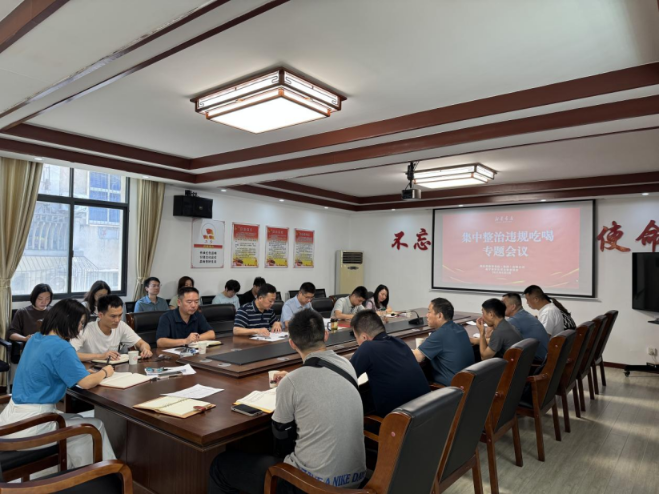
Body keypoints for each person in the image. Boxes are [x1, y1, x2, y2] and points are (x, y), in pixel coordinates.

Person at [208, 309, 366, 494]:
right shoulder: (346, 365)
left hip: (313, 487)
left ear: (291, 343)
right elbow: (322, 377)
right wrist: (292, 379)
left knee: (220, 465)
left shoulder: (292, 382)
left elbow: (281, 435)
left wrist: (290, 381)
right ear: (326, 334)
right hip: (356, 480)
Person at [0, 299, 116, 469]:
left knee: (77, 419)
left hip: (10, 418)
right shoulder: (62, 347)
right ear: (69, 320)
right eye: (80, 323)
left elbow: (50, 368)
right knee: (94, 426)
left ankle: (75, 471)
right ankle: (100, 473)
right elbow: (86, 383)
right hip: (32, 424)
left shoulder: (35, 338)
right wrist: (105, 371)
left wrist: (82, 373)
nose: (80, 329)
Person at [351, 310, 429, 417]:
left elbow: (346, 376)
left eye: (356, 338)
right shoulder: (399, 342)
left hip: (398, 421)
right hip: (426, 413)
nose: (357, 343)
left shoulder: (367, 347)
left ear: (364, 337)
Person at [413, 298, 474, 386]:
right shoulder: (460, 328)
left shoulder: (440, 335)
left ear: (440, 315)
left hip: (449, 389)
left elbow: (417, 357)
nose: (426, 315)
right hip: (467, 384)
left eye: (429, 312)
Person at [71, 295, 153, 361]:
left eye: (120, 315)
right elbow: (69, 355)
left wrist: (145, 350)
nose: (117, 320)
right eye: (113, 316)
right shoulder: (85, 329)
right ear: (100, 315)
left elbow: (142, 343)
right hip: (88, 370)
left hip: (112, 369)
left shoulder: (121, 325)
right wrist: (100, 356)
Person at [502, 293, 549, 362]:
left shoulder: (514, 320)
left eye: (502, 304)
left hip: (537, 362)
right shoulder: (525, 315)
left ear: (513, 307)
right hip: (544, 357)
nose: (499, 307)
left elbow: (497, 338)